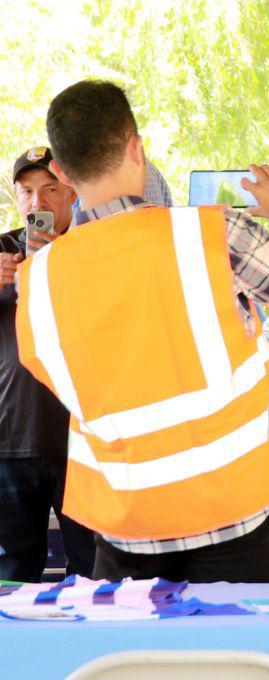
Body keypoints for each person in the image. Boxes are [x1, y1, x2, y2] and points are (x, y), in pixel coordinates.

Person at [16, 80, 269, 582]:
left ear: (60, 170)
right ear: (135, 146)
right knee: (229, 658)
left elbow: (58, 377)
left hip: (127, 519)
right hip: (239, 507)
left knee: (140, 661)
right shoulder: (210, 233)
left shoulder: (35, 278)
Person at [0, 147, 94, 581]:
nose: (38, 202)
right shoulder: (2, 252)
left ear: (73, 191)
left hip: (84, 439)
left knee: (92, 569)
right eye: (27, 192)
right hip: (10, 440)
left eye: (50, 189)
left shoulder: (98, 250)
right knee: (12, 574)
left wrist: (65, 268)